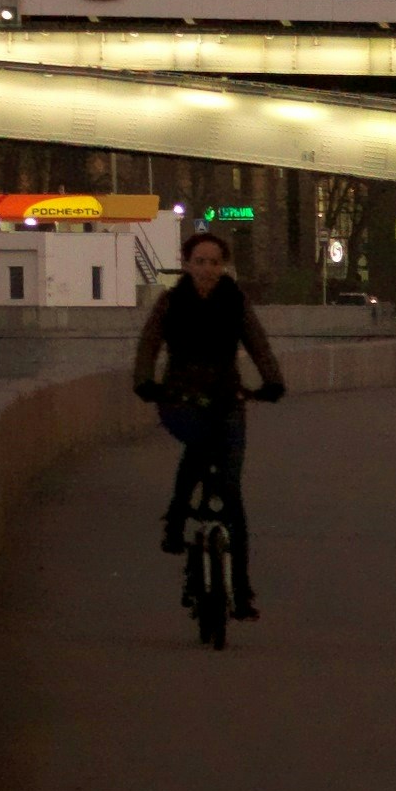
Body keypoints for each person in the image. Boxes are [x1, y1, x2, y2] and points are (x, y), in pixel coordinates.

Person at [128, 224, 289, 613]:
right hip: (179, 399)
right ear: (186, 264)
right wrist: (145, 383)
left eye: (214, 262)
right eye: (199, 261)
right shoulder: (170, 302)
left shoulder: (236, 303)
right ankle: (177, 517)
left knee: (231, 491)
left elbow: (258, 345)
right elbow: (148, 345)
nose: (206, 269)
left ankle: (243, 591)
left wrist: (272, 383)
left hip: (226, 400)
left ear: (224, 266)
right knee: (200, 443)